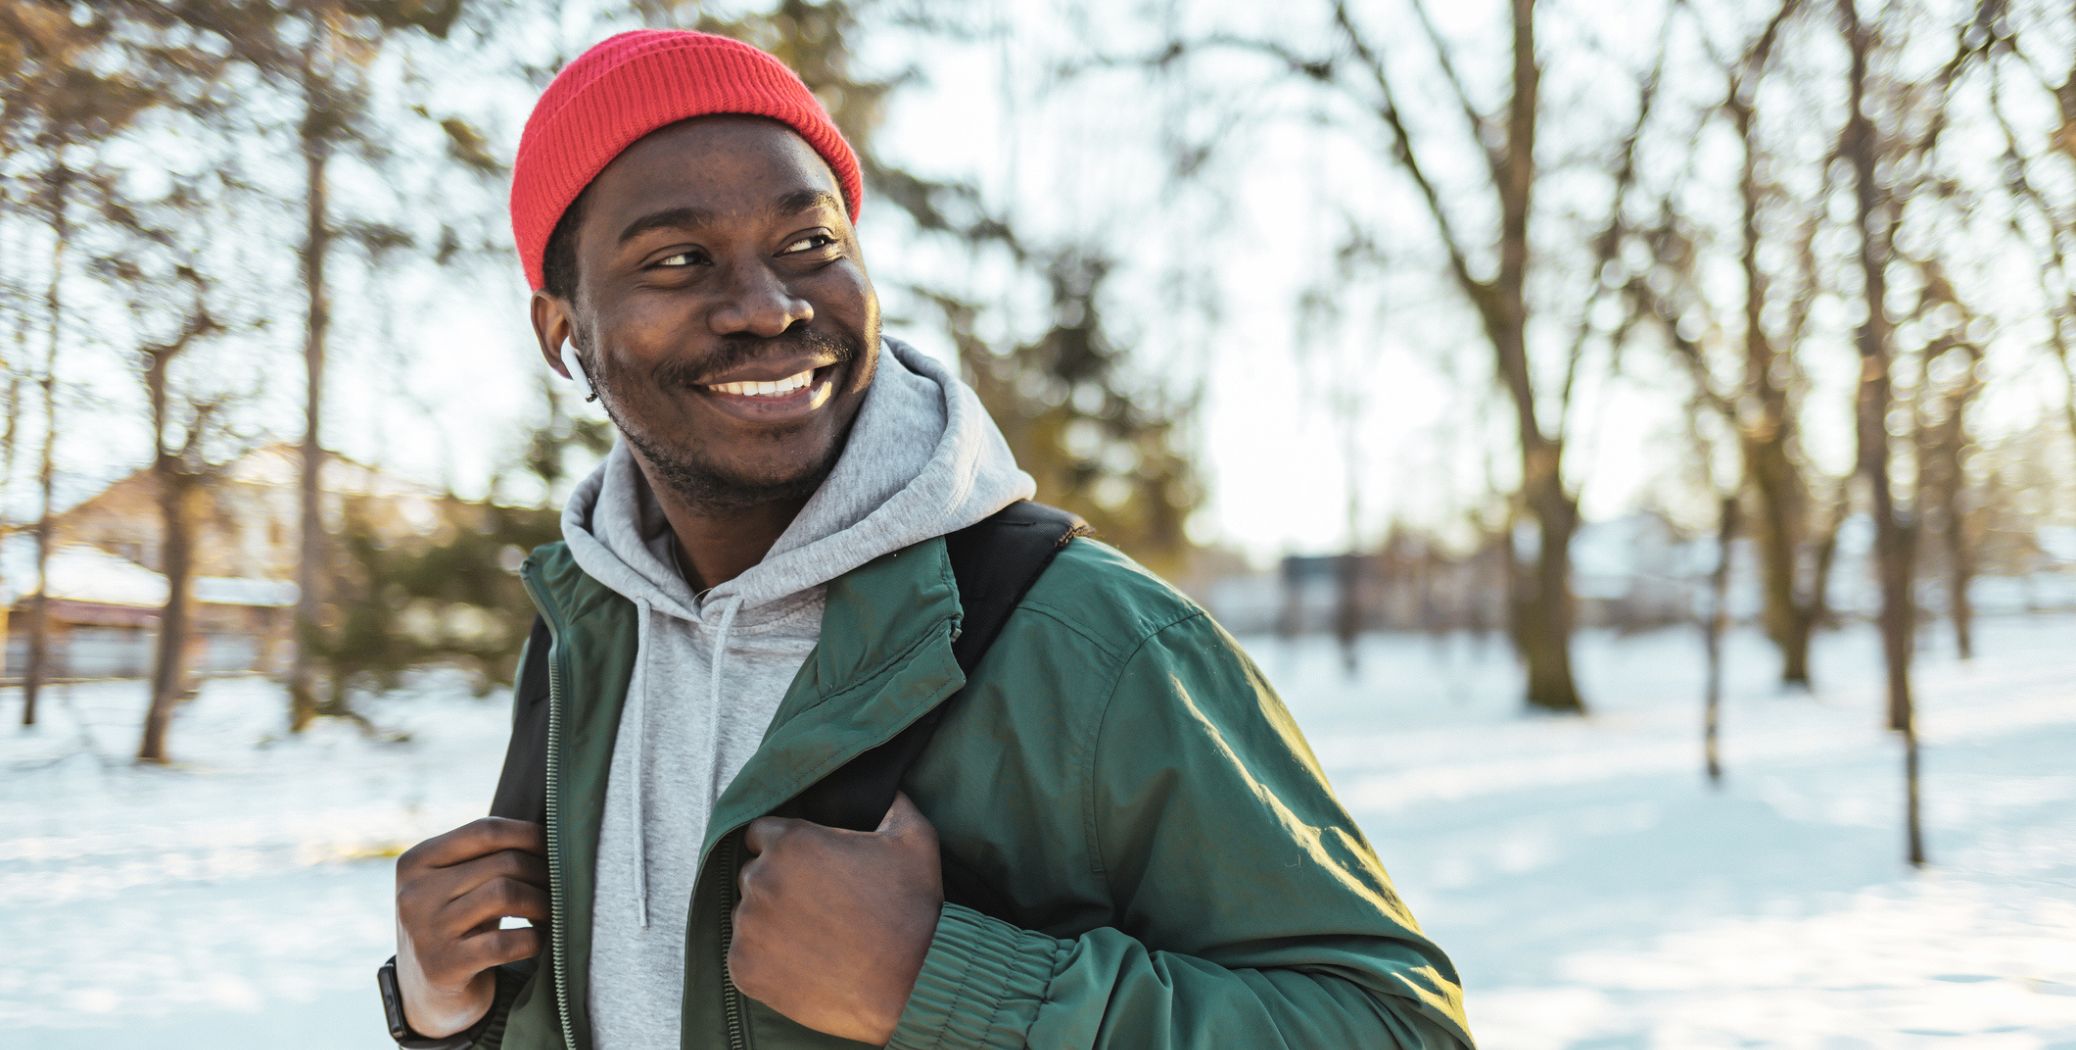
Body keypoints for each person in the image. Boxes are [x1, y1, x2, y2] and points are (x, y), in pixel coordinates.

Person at [386, 28, 1474, 1050]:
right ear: (562, 331)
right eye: (677, 260)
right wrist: (447, 1011)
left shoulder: (1093, 639)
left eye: (810, 243)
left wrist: (950, 986)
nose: (767, 307)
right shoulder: (584, 642)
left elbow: (1392, 1025)